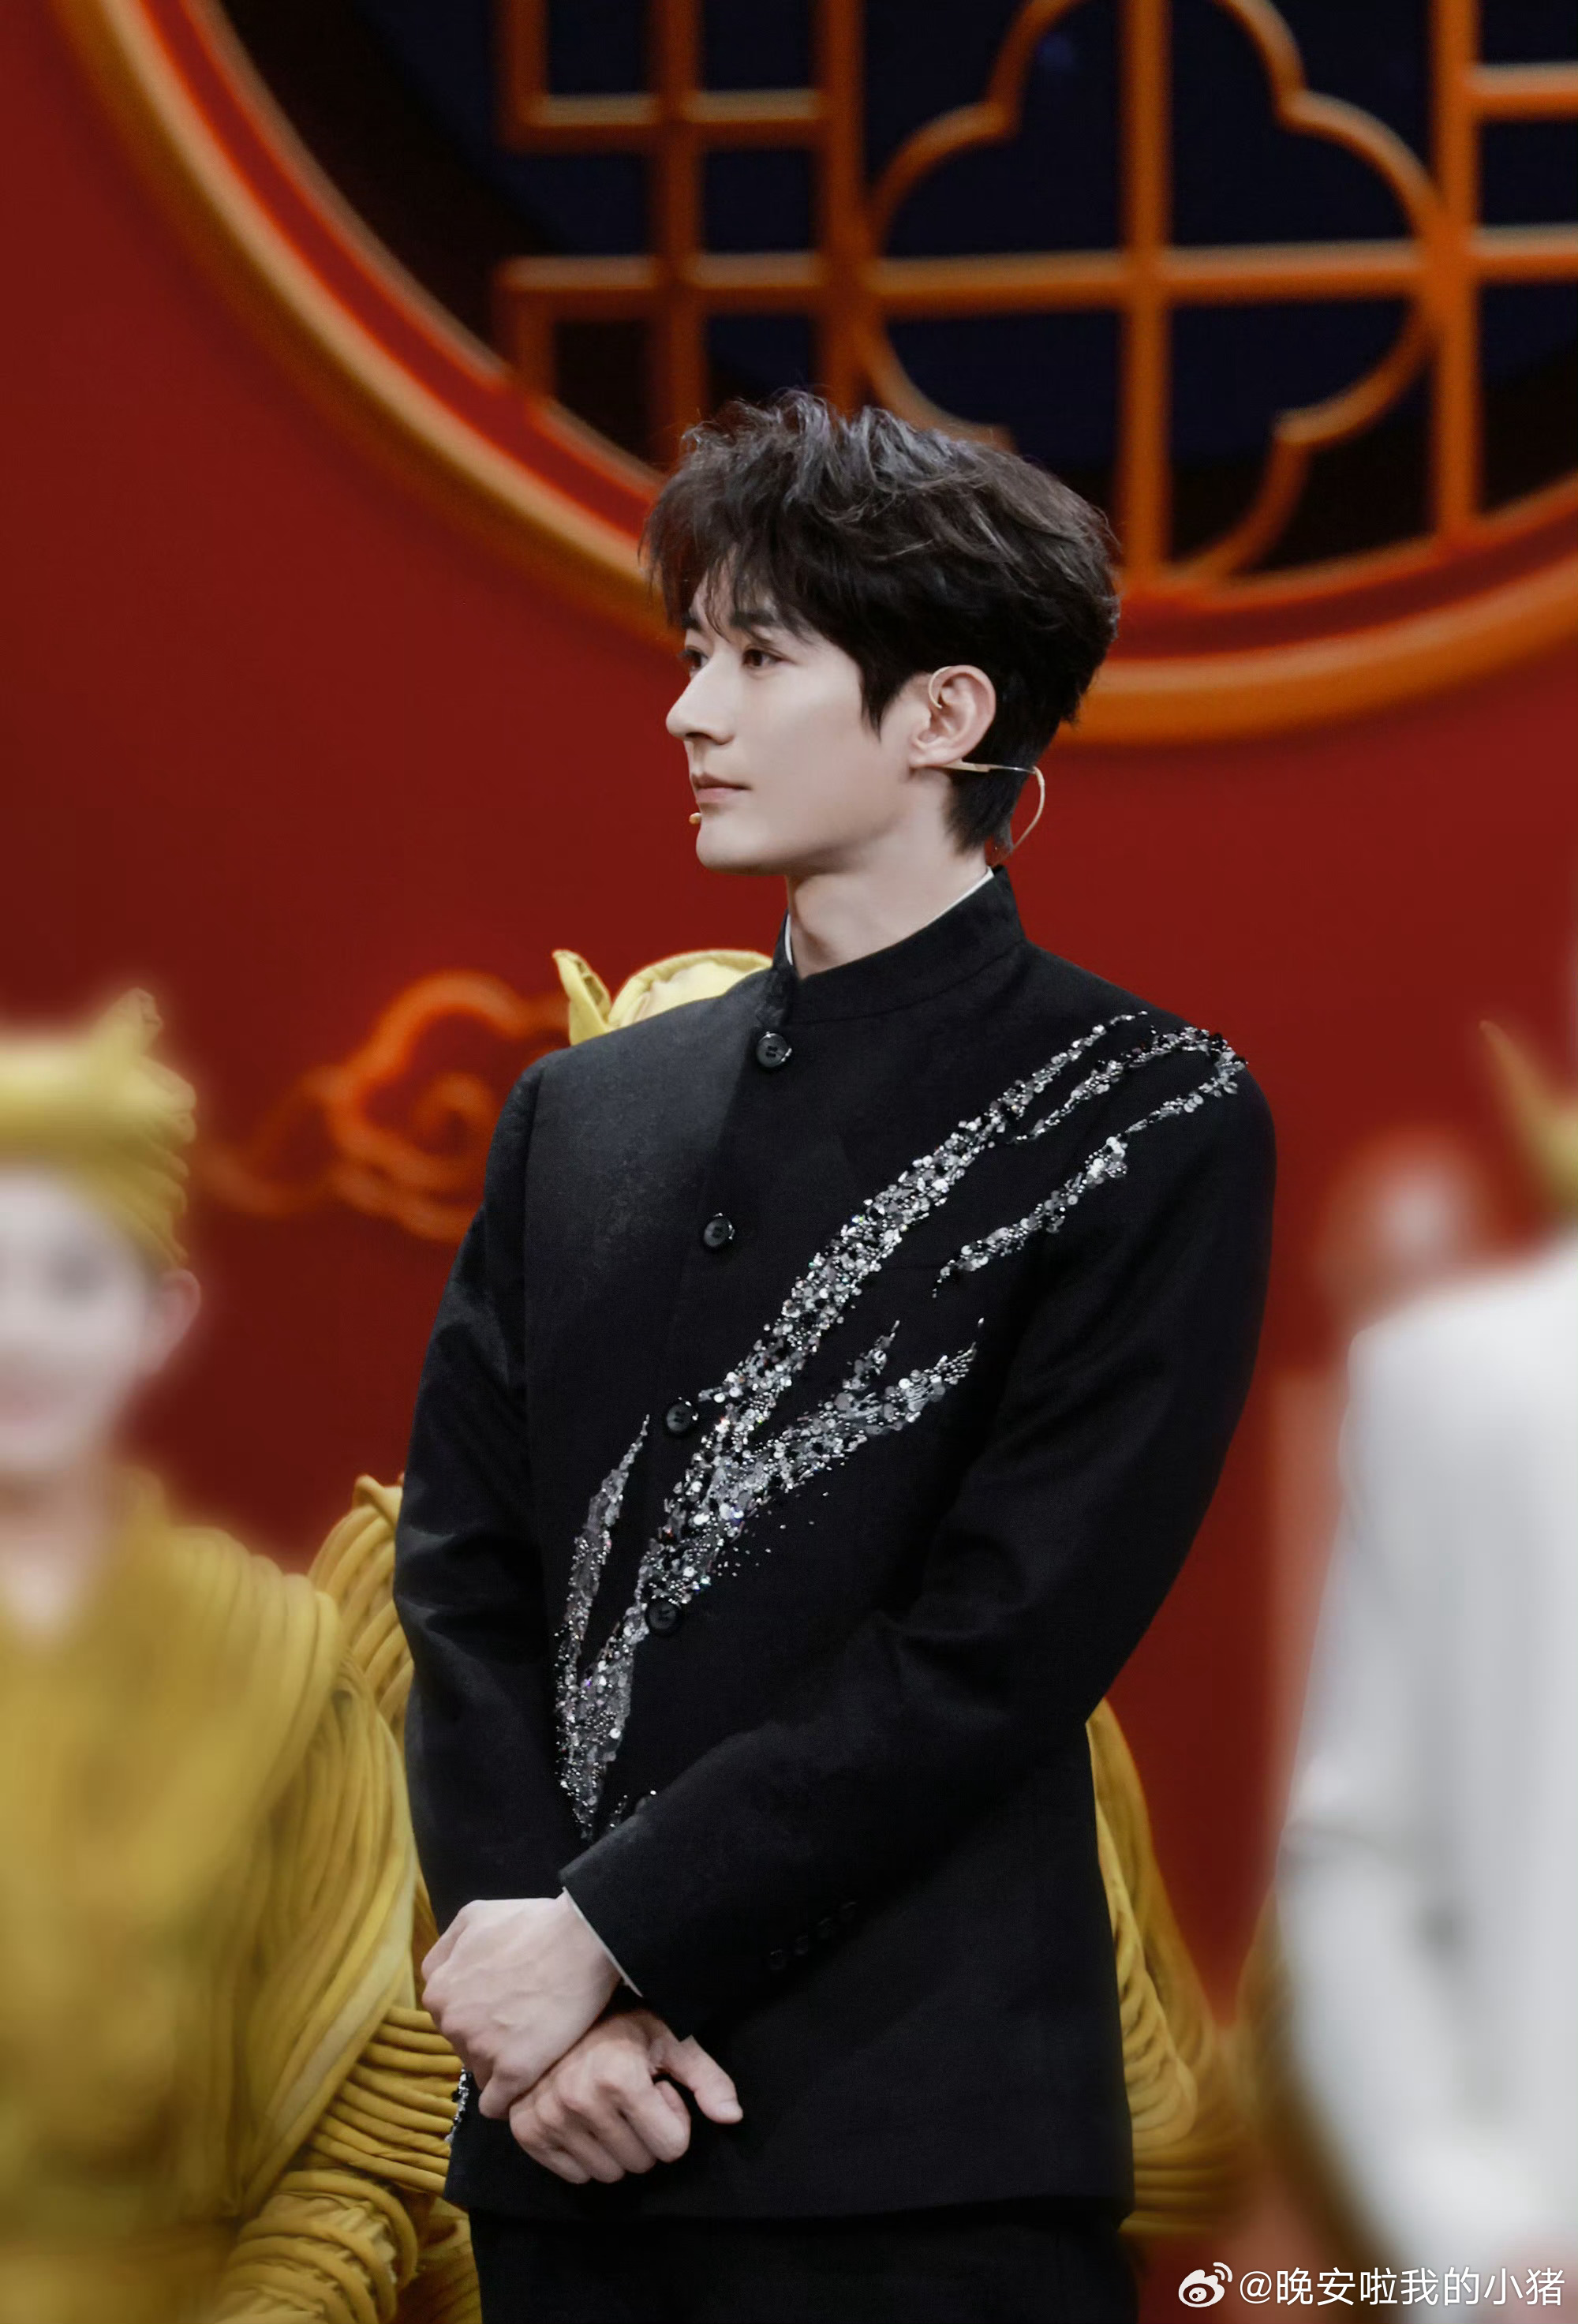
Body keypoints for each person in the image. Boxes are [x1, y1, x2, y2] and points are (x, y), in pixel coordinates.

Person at [394, 391, 1276, 2324]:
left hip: (918, 2149)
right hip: (568, 2149)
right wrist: (536, 1993)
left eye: (757, 658)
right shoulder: (583, 1113)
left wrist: (611, 1933)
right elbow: (462, 1577)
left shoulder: (1146, 1111)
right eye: (692, 653)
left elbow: (1002, 1639)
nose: (685, 712)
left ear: (944, 714)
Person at [0, 990, 469, 2323]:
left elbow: (367, 2142)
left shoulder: (285, 1673)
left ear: (160, 1316)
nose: (18, 1330)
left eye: (71, 1279)